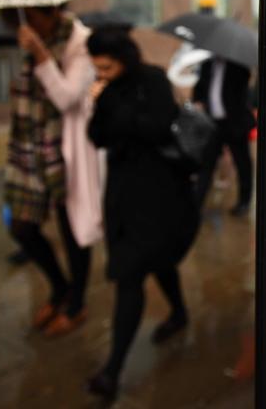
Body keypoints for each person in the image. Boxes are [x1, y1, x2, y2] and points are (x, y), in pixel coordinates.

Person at [85, 28, 198, 398]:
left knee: (130, 275)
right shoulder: (106, 88)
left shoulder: (153, 79)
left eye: (108, 66)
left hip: (159, 192)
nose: (102, 73)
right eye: (97, 67)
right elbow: (97, 136)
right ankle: (179, 313)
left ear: (125, 58)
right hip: (123, 194)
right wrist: (99, 103)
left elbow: (157, 127)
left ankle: (112, 370)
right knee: (159, 261)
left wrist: (114, 107)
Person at [2, 5, 102, 336]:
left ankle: (76, 304)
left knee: (73, 231)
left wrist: (39, 53)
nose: (29, 27)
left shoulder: (81, 43)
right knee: (21, 227)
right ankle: (60, 287)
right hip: (32, 148)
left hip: (66, 150)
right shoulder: (36, 40)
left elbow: (66, 98)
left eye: (32, 19)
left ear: (50, 13)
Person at [193, 56, 256, 216]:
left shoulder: (238, 66)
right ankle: (196, 203)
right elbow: (200, 87)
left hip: (234, 123)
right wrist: (198, 101)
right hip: (213, 123)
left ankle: (244, 201)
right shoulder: (207, 64)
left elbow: (243, 84)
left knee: (243, 163)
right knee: (206, 164)